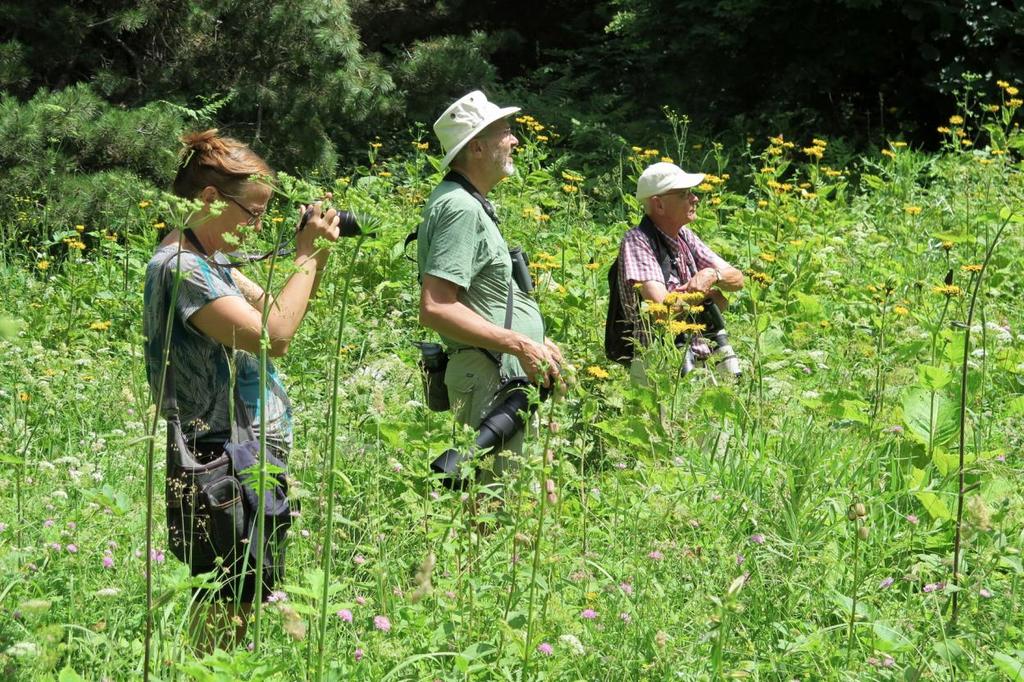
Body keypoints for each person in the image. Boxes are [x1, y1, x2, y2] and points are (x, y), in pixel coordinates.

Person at [142, 129, 340, 648]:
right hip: (219, 458)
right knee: (228, 602)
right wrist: (308, 256)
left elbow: (278, 308)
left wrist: (310, 252)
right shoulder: (183, 268)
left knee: (244, 595)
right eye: (251, 213)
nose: (255, 227)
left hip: (243, 451)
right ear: (209, 199)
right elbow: (274, 338)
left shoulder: (212, 262)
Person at [417, 91, 563, 481]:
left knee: (521, 505)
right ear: (477, 147)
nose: (514, 140)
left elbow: (485, 300)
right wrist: (520, 343)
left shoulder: (470, 202)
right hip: (490, 380)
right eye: (506, 132)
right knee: (494, 514)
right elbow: (436, 307)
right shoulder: (459, 208)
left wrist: (536, 343)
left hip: (505, 377)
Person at [617, 162, 744, 383]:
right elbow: (662, 312)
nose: (695, 198)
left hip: (699, 355)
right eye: (685, 194)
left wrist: (712, 276)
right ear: (659, 205)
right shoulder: (637, 241)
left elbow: (738, 278)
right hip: (660, 366)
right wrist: (704, 296)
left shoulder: (684, 235)